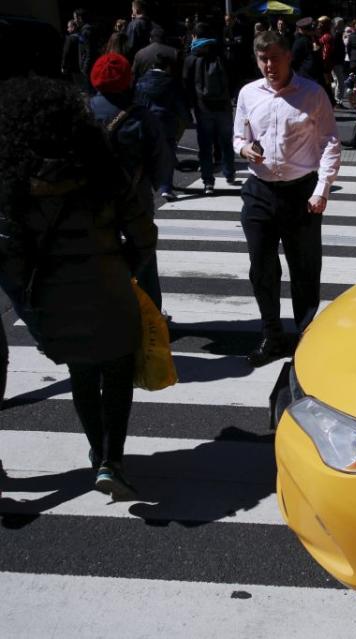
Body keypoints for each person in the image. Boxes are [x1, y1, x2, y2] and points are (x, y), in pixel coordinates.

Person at [0, 76, 158, 498]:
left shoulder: (15, 185)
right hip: (109, 289)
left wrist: (34, 297)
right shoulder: (104, 173)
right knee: (119, 372)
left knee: (82, 375)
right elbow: (144, 234)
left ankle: (96, 450)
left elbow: (11, 260)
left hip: (55, 298)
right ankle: (113, 459)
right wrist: (124, 265)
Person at [232, 30, 342, 367]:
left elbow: (329, 142)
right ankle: (272, 335)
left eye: (274, 58)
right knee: (262, 269)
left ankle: (305, 336)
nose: (269, 65)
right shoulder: (248, 93)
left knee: (304, 269)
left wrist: (322, 189)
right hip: (260, 192)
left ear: (288, 57)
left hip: (301, 193)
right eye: (263, 59)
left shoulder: (312, 93)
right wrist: (244, 148)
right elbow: (238, 135)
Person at [88, 53, 169, 314]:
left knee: (99, 255)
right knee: (144, 254)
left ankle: (109, 312)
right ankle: (150, 314)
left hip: (93, 200)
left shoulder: (83, 111)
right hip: (135, 195)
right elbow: (161, 157)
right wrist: (154, 184)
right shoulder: (140, 116)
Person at [184, 23, 236, 195]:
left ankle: (208, 181)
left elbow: (187, 83)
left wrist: (191, 103)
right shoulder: (221, 54)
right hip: (223, 105)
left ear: (195, 36)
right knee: (226, 140)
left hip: (203, 106)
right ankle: (229, 172)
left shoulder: (192, 57)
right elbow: (233, 77)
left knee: (205, 144)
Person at [135, 52, 190, 201]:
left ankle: (147, 184)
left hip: (147, 119)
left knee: (147, 152)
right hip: (167, 121)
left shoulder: (141, 81)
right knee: (168, 153)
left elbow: (137, 102)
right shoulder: (171, 82)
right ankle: (166, 187)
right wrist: (186, 119)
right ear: (167, 67)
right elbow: (179, 104)